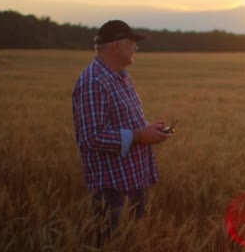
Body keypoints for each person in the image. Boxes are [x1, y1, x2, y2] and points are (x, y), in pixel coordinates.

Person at [72, 20, 172, 245]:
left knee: (131, 243)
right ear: (117, 46)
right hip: (112, 188)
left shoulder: (121, 76)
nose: (135, 48)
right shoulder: (93, 82)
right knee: (110, 244)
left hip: (132, 181)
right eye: (132, 43)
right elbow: (92, 137)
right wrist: (140, 136)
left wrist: (148, 129)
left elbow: (123, 121)